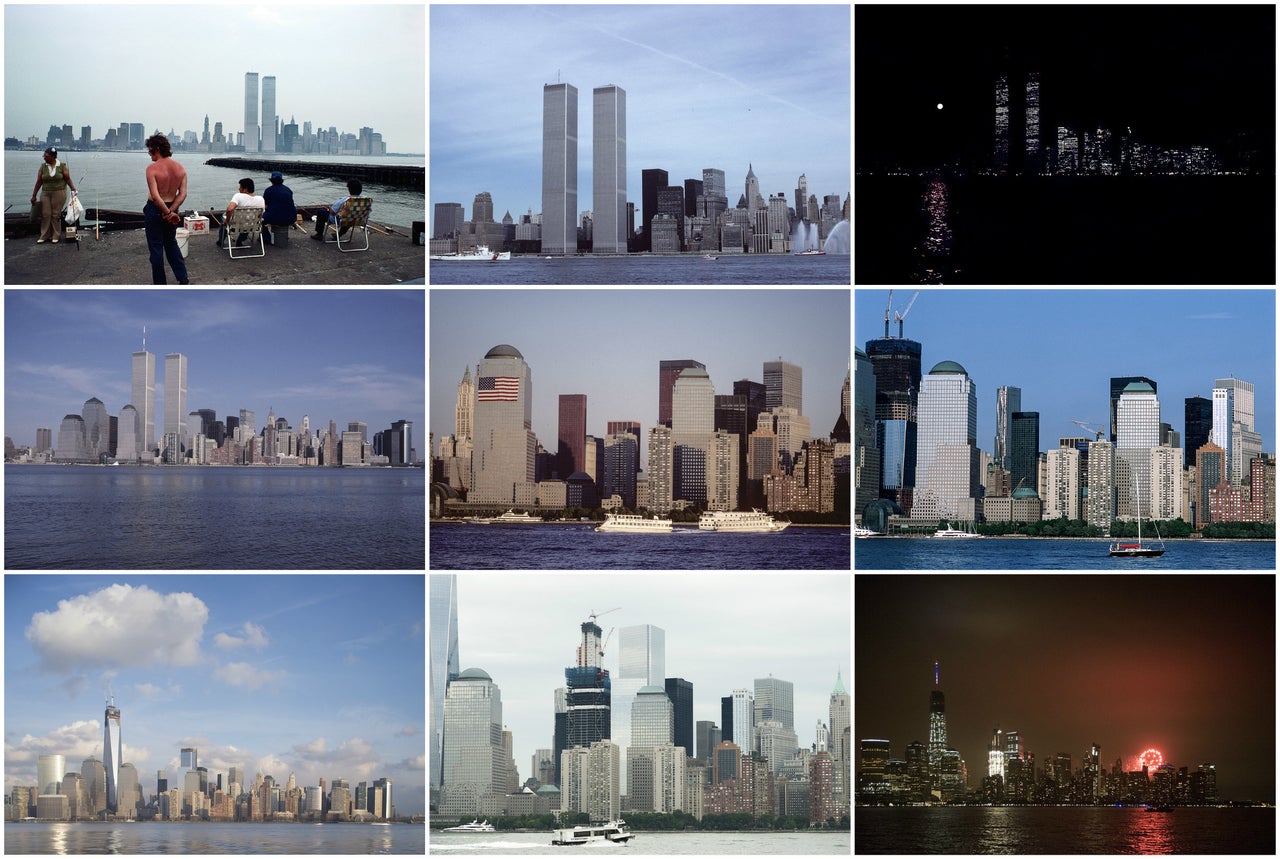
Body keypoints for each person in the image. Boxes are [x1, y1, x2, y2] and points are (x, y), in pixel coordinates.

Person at [144, 133, 189, 284]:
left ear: (156, 149)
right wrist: (172, 212)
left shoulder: (152, 169)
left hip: (156, 210)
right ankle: (183, 279)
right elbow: (183, 194)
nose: (149, 153)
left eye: (150, 150)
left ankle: (160, 284)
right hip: (172, 208)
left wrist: (167, 212)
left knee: (156, 248)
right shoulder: (180, 169)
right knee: (171, 244)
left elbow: (156, 197)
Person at [31, 147, 78, 244]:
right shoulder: (43, 167)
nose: (44, 157)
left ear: (53, 157)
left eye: (46, 156)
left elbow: (67, 179)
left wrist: (73, 189)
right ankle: (44, 235)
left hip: (59, 192)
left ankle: (56, 235)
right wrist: (34, 195)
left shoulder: (62, 166)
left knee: (56, 214)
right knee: (45, 214)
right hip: (45, 192)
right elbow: (39, 181)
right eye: (44, 156)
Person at [215, 177, 266, 248]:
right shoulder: (261, 199)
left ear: (245, 189)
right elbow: (260, 215)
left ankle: (220, 241)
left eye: (240, 187)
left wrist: (227, 220)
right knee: (248, 221)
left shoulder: (238, 196)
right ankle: (240, 240)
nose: (239, 189)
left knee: (223, 218)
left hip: (236, 226)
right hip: (252, 226)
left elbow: (229, 209)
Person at [261, 171, 297, 246]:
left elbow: (265, 206)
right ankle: (281, 238)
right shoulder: (288, 190)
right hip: (291, 218)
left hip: (275, 218)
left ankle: (266, 238)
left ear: (271, 181)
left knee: (261, 220)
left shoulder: (268, 190)